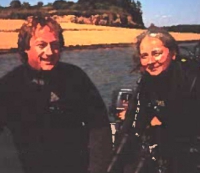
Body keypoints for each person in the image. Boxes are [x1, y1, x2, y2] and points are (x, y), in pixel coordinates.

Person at [0, 15, 112, 173]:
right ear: (26, 48)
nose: (50, 52)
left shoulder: (75, 77)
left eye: (55, 45)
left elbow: (99, 126)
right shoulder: (10, 85)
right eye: (41, 45)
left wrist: (97, 169)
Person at [110, 25, 200, 173]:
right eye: (144, 56)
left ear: (173, 53)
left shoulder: (193, 78)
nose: (150, 61)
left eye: (156, 53)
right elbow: (131, 127)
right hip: (172, 148)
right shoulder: (147, 82)